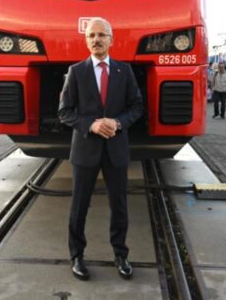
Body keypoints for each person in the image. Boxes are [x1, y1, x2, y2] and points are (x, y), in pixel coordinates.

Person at [58, 17, 143, 281]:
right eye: (91, 35)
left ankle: (121, 254)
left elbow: (137, 107)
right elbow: (64, 112)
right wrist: (91, 125)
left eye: (101, 35)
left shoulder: (124, 71)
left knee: (119, 206)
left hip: (116, 150)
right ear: (86, 41)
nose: (96, 39)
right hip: (85, 150)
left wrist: (117, 122)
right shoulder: (76, 72)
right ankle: (77, 256)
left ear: (111, 39)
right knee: (79, 206)